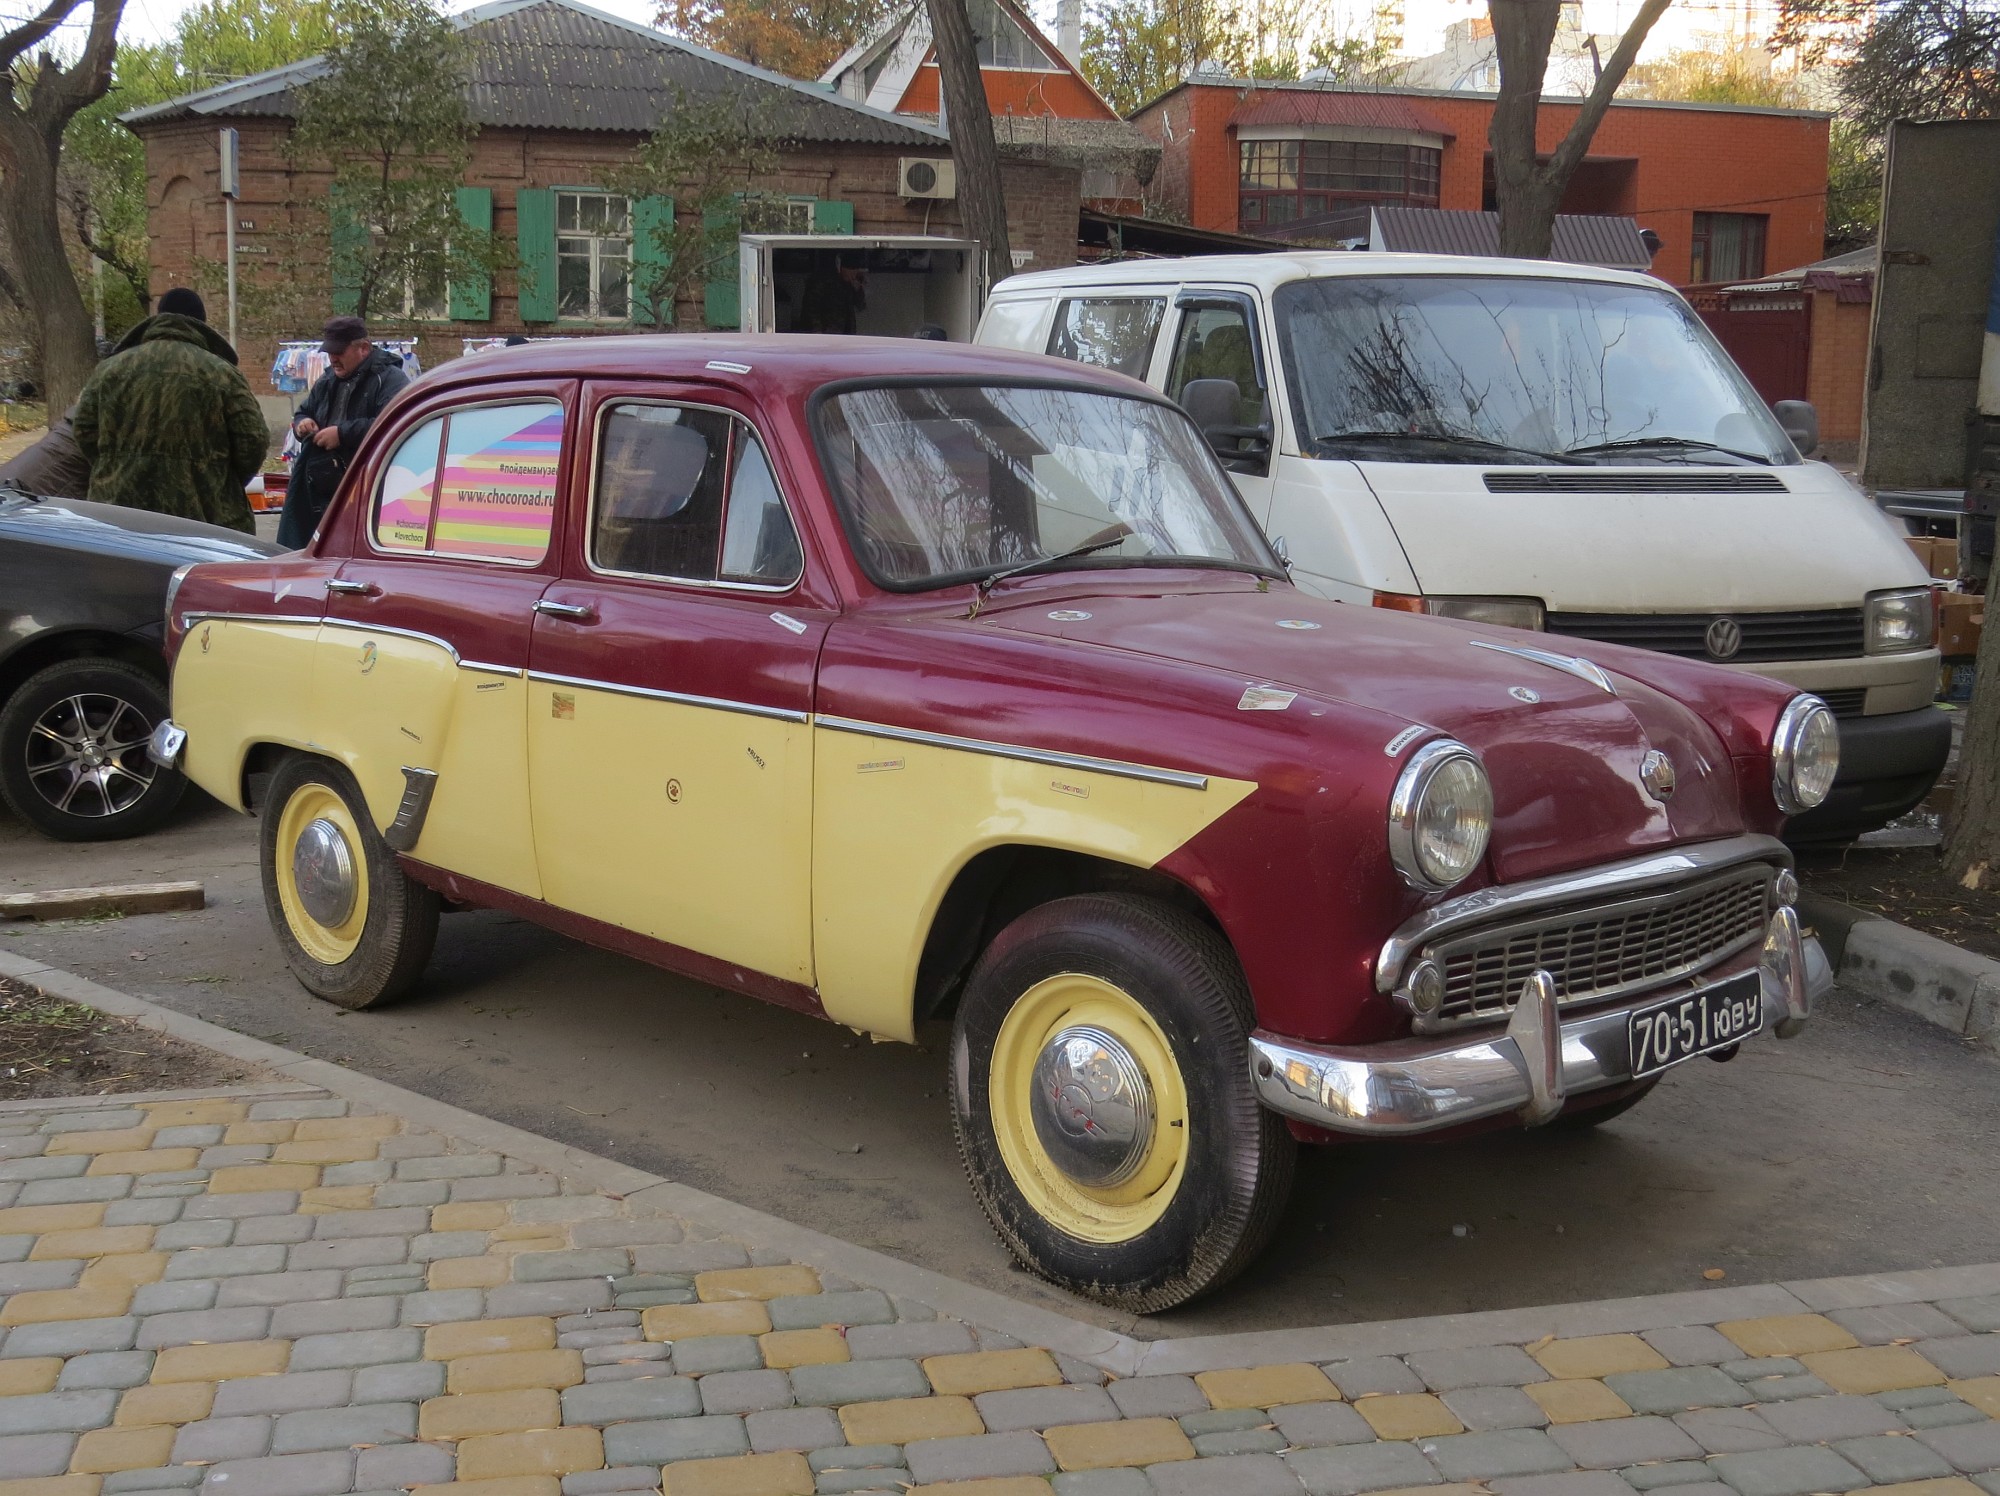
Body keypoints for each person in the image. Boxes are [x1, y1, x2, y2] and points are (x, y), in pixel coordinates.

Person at [70, 287, 266, 534]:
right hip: (204, 515)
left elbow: (84, 429)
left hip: (119, 511)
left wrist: (114, 464)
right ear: (201, 323)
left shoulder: (110, 369)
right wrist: (221, 479)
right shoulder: (222, 373)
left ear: (158, 318)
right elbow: (253, 439)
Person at [280, 315, 410, 549]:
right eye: (330, 352)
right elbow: (304, 410)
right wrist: (303, 423)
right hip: (326, 491)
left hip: (369, 489)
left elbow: (393, 423)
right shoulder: (328, 378)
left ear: (364, 348)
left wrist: (342, 433)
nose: (333, 359)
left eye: (339, 352)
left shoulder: (390, 379)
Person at [798, 253, 867, 334]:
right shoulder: (822, 282)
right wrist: (817, 333)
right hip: (826, 333)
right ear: (842, 268)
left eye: (855, 273)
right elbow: (811, 309)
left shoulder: (849, 285)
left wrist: (858, 290)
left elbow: (860, 306)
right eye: (851, 273)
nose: (853, 276)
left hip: (845, 333)